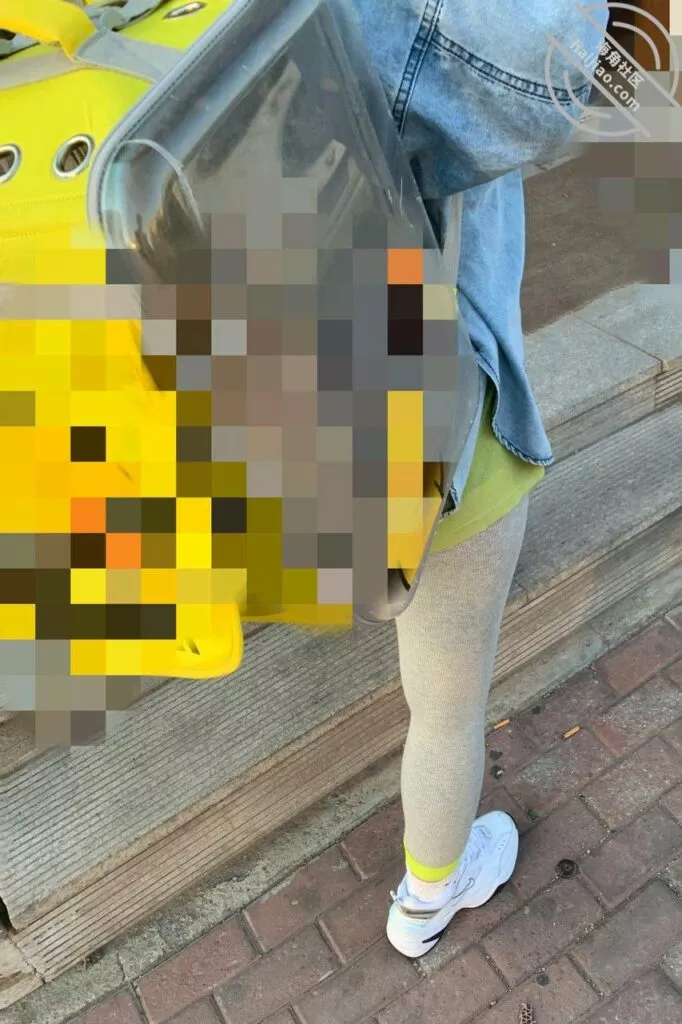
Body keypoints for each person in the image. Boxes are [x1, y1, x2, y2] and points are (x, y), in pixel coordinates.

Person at [348, 0, 608, 957]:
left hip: (283, 430)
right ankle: (427, 899)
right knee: (447, 709)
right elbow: (544, 59)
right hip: (443, 421)